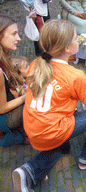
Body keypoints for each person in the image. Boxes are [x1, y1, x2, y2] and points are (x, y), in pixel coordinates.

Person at [12, 19, 86, 192]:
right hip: (51, 130)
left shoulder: (36, 63)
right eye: (76, 38)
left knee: (63, 147)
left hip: (32, 127)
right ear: (67, 48)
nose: (78, 40)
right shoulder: (75, 75)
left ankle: (28, 171)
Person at [0, 15, 29, 146]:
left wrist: (22, 90)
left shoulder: (5, 60)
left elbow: (11, 87)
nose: (19, 38)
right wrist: (26, 97)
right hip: (6, 118)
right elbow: (2, 108)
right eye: (14, 34)